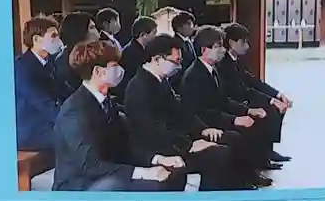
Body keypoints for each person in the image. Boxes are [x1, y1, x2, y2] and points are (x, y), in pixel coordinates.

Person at [122, 33, 250, 189]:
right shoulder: (139, 87)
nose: (179, 66)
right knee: (218, 155)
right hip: (156, 147)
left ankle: (238, 188)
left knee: (231, 138)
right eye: (175, 61)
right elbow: (152, 129)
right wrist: (189, 145)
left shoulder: (161, 80)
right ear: (157, 59)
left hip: (174, 138)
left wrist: (202, 129)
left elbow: (180, 111)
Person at [52, 39, 184, 190]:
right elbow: (89, 164)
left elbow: (125, 146)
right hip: (80, 184)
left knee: (175, 174)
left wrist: (158, 159)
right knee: (153, 185)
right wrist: (142, 172)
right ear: (98, 72)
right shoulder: (74, 111)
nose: (120, 69)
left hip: (107, 173)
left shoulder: (107, 102)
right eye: (114, 66)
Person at [180, 26, 277, 174]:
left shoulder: (212, 69)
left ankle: (254, 170)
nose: (223, 50)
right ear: (204, 50)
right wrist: (234, 120)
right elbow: (201, 112)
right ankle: (244, 177)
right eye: (218, 46)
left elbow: (223, 100)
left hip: (216, 117)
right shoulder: (194, 76)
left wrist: (247, 111)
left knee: (255, 120)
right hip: (204, 124)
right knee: (237, 135)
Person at [218, 22, 291, 158]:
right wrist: (271, 101)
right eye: (243, 42)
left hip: (242, 97)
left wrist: (277, 95)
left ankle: (268, 150)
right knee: (269, 109)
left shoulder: (236, 60)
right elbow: (241, 90)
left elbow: (252, 81)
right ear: (232, 43)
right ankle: (263, 154)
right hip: (234, 101)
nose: (247, 46)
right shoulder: (224, 63)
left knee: (275, 106)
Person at [13, 16, 67, 155]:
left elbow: (63, 92)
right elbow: (42, 102)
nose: (58, 40)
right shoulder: (22, 67)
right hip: (31, 130)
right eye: (53, 36)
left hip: (49, 123)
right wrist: (71, 120)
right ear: (36, 39)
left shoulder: (50, 62)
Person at [56, 9, 99, 96]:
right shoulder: (65, 60)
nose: (97, 32)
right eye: (91, 27)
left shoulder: (85, 53)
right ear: (79, 31)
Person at [119, 15, 157, 85]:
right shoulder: (130, 53)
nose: (156, 36)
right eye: (154, 33)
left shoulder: (145, 49)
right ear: (143, 35)